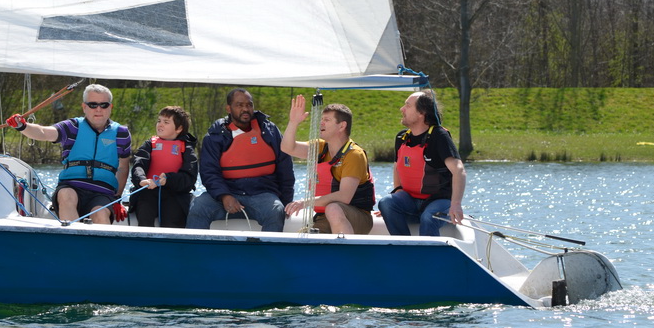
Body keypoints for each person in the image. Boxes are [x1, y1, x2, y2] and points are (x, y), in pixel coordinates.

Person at [6, 83, 132, 225]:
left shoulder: (122, 134)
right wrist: (22, 126)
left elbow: (123, 168)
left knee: (100, 213)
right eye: (93, 105)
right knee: (67, 196)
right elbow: (44, 132)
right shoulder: (72, 127)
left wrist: (117, 198)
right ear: (84, 107)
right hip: (71, 187)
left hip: (102, 193)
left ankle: (98, 240)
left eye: (104, 105)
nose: (98, 109)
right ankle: (74, 237)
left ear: (110, 107)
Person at [186, 88, 294, 232]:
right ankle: (196, 247)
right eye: (239, 105)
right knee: (198, 207)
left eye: (249, 105)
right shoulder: (215, 135)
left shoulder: (270, 131)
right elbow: (209, 172)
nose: (245, 109)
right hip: (225, 194)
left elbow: (285, 169)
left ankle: (267, 248)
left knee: (276, 210)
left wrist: (286, 202)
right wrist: (224, 196)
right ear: (228, 108)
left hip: (262, 194)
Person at [281, 95, 375, 234]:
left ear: (342, 126)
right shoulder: (320, 147)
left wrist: (305, 202)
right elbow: (288, 148)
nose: (321, 123)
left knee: (333, 209)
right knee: (307, 237)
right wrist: (293, 122)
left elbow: (344, 197)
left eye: (327, 120)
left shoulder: (354, 154)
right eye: (321, 119)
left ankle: (346, 248)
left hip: (358, 217)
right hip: (325, 215)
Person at [377, 91, 466, 236]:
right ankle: (404, 246)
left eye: (407, 105)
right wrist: (397, 196)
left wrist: (456, 204)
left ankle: (428, 250)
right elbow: (397, 168)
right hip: (411, 201)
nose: (402, 109)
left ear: (421, 113)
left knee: (428, 217)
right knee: (387, 203)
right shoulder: (401, 137)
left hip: (439, 202)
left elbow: (459, 170)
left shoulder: (439, 136)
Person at [130, 106, 198, 228]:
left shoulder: (187, 149)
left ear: (179, 128)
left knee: (173, 218)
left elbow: (189, 178)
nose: (160, 124)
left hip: (175, 195)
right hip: (149, 191)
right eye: (159, 121)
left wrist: (168, 179)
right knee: (145, 210)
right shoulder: (149, 144)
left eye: (166, 122)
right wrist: (141, 180)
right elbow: (139, 164)